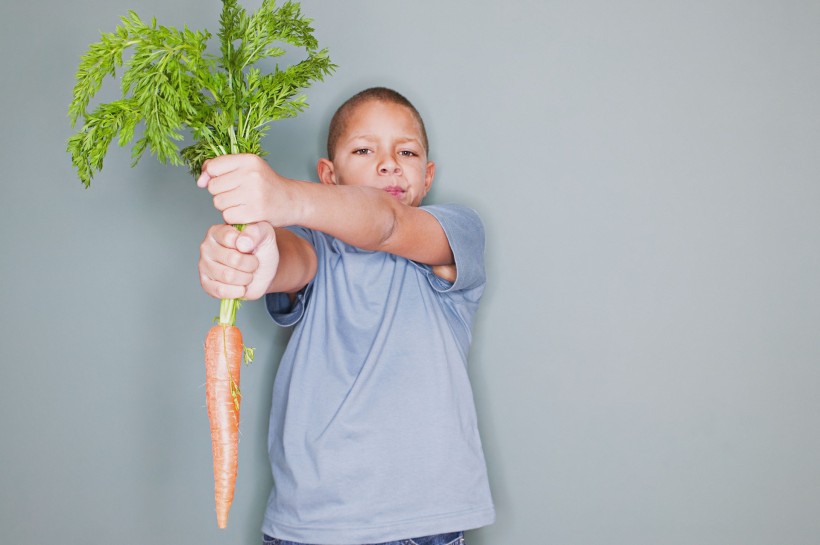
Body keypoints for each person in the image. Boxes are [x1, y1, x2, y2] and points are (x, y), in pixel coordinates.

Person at [196, 87, 494, 545]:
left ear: (428, 174)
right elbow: (286, 258)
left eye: (407, 151)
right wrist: (245, 257)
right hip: (308, 526)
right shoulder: (312, 246)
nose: (390, 163)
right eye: (364, 149)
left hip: (421, 526)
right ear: (329, 175)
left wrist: (287, 197)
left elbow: (387, 222)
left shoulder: (452, 233)